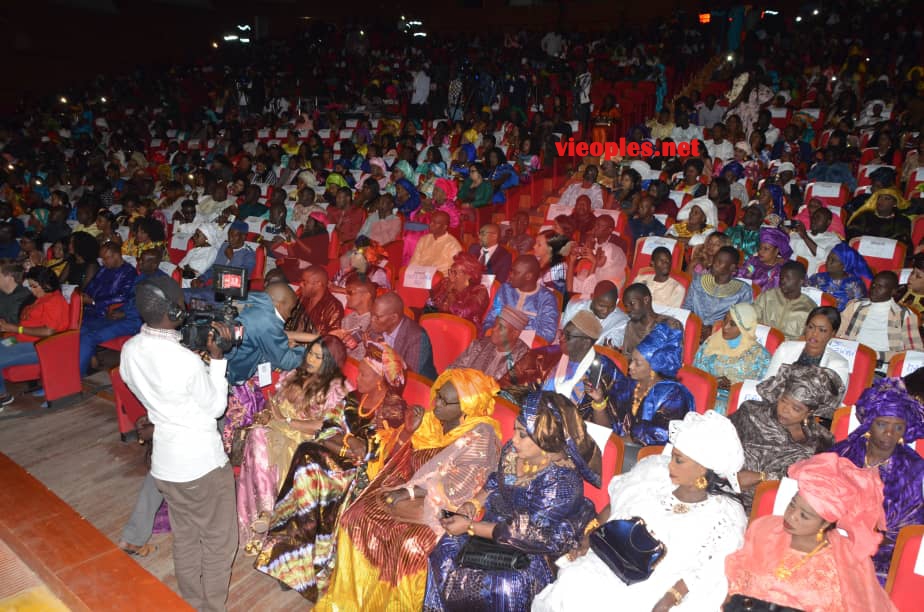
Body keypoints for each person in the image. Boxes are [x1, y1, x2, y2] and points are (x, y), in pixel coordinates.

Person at [315, 369, 502, 611]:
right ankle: (353, 602)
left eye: (445, 401)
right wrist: (407, 431)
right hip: (406, 492)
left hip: (444, 511)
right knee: (355, 516)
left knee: (409, 547)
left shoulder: (480, 436)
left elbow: (459, 489)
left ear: (465, 406)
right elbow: (397, 460)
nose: (436, 404)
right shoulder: (432, 423)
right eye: (438, 397)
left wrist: (411, 492)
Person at [533, 410, 747, 611]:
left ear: (702, 468)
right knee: (574, 582)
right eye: (672, 456)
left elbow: (706, 570)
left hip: (662, 585)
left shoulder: (724, 514)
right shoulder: (654, 475)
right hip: (615, 563)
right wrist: (589, 537)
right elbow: (614, 506)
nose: (670, 465)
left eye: (679, 461)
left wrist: (669, 599)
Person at [120, 276, 236, 612]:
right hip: (201, 464)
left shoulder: (129, 351)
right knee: (218, 542)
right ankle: (212, 608)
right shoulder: (185, 361)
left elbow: (148, 393)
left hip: (165, 465)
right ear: (175, 310)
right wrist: (216, 360)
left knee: (186, 536)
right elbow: (216, 408)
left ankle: (191, 602)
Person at [424, 392, 601, 611]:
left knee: (505, 586)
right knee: (444, 547)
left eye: (522, 434)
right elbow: (496, 481)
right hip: (493, 525)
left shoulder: (562, 480)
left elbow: (529, 533)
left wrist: (470, 527)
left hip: (533, 550)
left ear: (544, 437)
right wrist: (474, 503)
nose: (513, 439)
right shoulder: (514, 451)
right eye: (515, 430)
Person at [725, 453, 896, 612]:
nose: (791, 516)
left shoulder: (840, 562)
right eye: (792, 504)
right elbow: (736, 580)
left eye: (804, 516)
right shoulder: (765, 529)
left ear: (826, 522)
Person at [237, 335, 351, 553]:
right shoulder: (296, 374)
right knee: (258, 433)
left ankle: (269, 513)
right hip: (280, 427)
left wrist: (288, 421)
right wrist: (268, 414)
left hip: (306, 437)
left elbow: (327, 425)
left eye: (318, 357)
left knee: (262, 438)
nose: (310, 359)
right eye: (310, 352)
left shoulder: (336, 387)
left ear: (330, 361)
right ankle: (265, 513)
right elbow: (276, 403)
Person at [832, 376, 924, 584]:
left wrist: (866, 539)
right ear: (868, 425)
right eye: (882, 424)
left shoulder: (914, 468)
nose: (889, 433)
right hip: (831, 537)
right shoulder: (842, 453)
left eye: (898, 427)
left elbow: (909, 525)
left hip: (881, 552)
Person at [731, 363, 844, 511]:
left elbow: (812, 483)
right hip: (728, 493)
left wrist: (763, 477)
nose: (785, 410)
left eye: (796, 408)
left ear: (809, 412)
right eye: (783, 401)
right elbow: (717, 441)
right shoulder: (752, 414)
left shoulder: (820, 441)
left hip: (778, 507)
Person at [583, 323, 694, 455]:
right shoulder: (630, 386)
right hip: (617, 449)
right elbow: (606, 429)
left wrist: (609, 447)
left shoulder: (674, 397)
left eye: (638, 363)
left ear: (654, 369)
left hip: (646, 459)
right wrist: (599, 401)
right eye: (631, 360)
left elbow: (653, 442)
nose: (630, 366)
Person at [0, 267, 70, 407]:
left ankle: (3, 396)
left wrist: (15, 328)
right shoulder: (41, 297)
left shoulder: (54, 301)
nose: (32, 290)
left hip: (40, 346)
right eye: (30, 286)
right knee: (3, 344)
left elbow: (49, 332)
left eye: (34, 286)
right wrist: (8, 329)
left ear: (47, 284)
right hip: (20, 339)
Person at [500, 311, 603, 404]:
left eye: (567, 336)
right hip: (530, 415)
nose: (560, 338)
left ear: (585, 343)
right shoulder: (546, 355)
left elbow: (603, 422)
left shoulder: (600, 372)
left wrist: (599, 401)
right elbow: (509, 381)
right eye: (562, 333)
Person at [693, 304, 771, 414]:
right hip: (706, 397)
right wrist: (712, 382)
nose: (725, 327)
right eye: (725, 320)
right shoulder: (711, 343)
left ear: (744, 327)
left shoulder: (760, 356)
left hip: (739, 405)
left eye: (733, 324)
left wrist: (733, 386)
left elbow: (762, 391)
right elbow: (697, 375)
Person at [839, 271, 924, 369]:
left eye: (880, 286)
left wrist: (877, 356)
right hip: (850, 359)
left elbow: (915, 350)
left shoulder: (904, 315)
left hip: (882, 366)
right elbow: (837, 331)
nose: (873, 289)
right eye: (873, 284)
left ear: (893, 291)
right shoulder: (856, 306)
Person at [763, 305, 850, 393]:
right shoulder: (786, 348)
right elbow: (768, 383)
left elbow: (833, 402)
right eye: (811, 327)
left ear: (832, 334)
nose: (814, 334)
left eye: (822, 330)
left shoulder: (839, 364)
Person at [483, 255, 560, 344]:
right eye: (511, 271)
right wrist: (489, 330)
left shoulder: (546, 298)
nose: (510, 275)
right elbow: (491, 318)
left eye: (515, 273)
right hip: (498, 340)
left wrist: (514, 336)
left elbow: (548, 334)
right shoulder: (505, 289)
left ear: (528, 276)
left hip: (527, 346)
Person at [369, 292, 437, 380]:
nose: (372, 320)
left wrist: (383, 350)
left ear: (394, 318)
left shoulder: (416, 337)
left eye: (377, 317)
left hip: (417, 386)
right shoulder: (378, 325)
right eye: (372, 314)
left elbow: (408, 376)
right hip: (384, 380)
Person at [449, 306, 530, 379]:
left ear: (515, 333)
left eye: (501, 328)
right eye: (494, 325)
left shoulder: (525, 360)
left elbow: (517, 393)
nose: (494, 329)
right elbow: (453, 370)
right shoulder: (480, 344)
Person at [683, 246, 753, 328]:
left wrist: (714, 329)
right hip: (693, 328)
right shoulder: (698, 281)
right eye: (714, 260)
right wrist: (696, 326)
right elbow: (687, 307)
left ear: (732, 268)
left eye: (719, 262)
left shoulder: (743, 291)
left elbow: (740, 321)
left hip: (721, 333)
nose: (714, 264)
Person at [753, 261, 817, 340]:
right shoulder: (768, 296)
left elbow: (807, 337)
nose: (782, 281)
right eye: (782, 277)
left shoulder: (809, 308)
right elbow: (752, 317)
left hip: (789, 348)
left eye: (788, 278)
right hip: (761, 340)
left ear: (801, 281)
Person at [424, 251, 490, 328]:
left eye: (455, 272)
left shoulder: (480, 291)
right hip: (438, 325)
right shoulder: (446, 282)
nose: (451, 277)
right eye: (450, 271)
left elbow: (462, 313)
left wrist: (450, 293)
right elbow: (429, 305)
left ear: (468, 275)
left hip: (461, 332)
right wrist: (444, 293)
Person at [561, 280, 628, 348]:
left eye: (611, 307)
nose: (606, 311)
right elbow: (564, 335)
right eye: (601, 306)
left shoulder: (622, 321)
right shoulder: (575, 308)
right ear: (592, 297)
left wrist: (610, 348)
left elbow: (613, 344)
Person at [620, 283, 683, 355]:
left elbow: (673, 360)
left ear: (646, 300)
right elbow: (626, 356)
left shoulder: (670, 325)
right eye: (626, 306)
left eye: (632, 303)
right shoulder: (631, 326)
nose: (628, 309)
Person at [81, 241, 137, 322]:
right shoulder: (104, 269)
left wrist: (93, 302)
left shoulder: (129, 272)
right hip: (89, 308)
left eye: (105, 258)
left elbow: (122, 297)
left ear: (116, 256)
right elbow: (92, 285)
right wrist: (84, 296)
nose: (103, 262)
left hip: (105, 312)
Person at [807, 242, 872, 311]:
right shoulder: (816, 278)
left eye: (833, 260)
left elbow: (858, 310)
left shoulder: (855, 285)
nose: (828, 262)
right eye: (828, 258)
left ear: (845, 266)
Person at [846, 188, 912, 247]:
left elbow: (902, 243)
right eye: (879, 198)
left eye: (887, 199)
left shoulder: (902, 221)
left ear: (895, 204)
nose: (881, 201)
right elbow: (852, 234)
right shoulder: (864, 216)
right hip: (864, 250)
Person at [289, 266, 344, 335]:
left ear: (318, 284)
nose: (300, 284)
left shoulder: (333, 307)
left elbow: (332, 339)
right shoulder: (302, 296)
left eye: (305, 282)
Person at [789, 205, 842, 275]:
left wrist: (805, 237)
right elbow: (788, 249)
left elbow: (825, 257)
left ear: (828, 222)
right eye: (813, 217)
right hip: (790, 273)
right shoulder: (797, 233)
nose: (814, 220)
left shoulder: (834, 239)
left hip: (813, 277)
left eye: (818, 217)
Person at [408, 210, 463, 275]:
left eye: (435, 223)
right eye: (431, 221)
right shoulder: (424, 240)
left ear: (444, 227)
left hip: (439, 280)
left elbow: (454, 271)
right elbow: (414, 262)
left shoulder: (453, 245)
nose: (430, 224)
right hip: (419, 277)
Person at [737, 227, 792, 292]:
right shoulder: (753, 261)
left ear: (777, 251)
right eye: (760, 248)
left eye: (766, 249)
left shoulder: (783, 269)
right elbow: (740, 276)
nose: (760, 252)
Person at [178, 223, 221, 288]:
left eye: (197, 235)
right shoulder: (193, 250)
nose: (194, 237)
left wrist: (186, 268)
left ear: (206, 238)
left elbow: (195, 272)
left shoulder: (212, 251)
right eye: (194, 234)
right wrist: (187, 267)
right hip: (179, 278)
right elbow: (181, 266)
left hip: (190, 283)